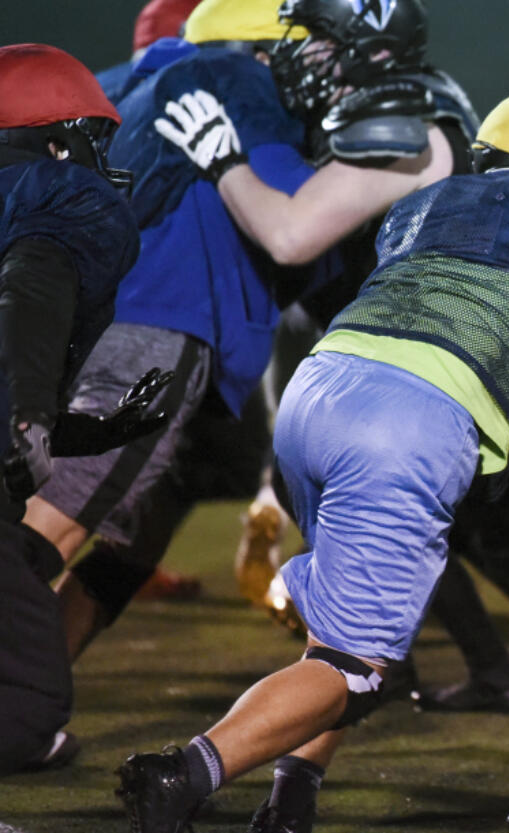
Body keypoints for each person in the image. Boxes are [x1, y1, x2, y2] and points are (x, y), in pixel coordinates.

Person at [113, 86, 509, 833]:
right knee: (357, 670)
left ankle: (292, 796)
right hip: (407, 422)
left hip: (319, 395)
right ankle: (185, 773)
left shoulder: (433, 204)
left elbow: (486, 366)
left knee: (337, 636)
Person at [29, 0, 467, 662]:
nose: (287, 57)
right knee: (54, 524)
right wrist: (234, 161)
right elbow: (292, 231)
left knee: (134, 532)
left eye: (312, 39)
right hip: (161, 329)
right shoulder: (236, 86)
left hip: (138, 326)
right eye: (282, 42)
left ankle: (33, 687)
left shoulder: (133, 83)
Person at [0, 43, 168, 775]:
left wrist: (81, 427)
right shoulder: (57, 203)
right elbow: (29, 297)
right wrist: (30, 417)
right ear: (57, 142)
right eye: (93, 140)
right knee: (30, 698)